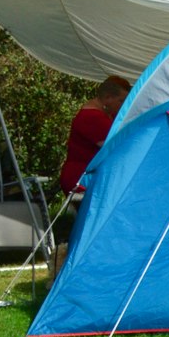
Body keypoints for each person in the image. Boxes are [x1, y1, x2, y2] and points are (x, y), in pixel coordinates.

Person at [54, 76, 130, 270]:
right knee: (92, 225)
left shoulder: (97, 115)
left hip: (86, 179)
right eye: (121, 100)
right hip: (81, 181)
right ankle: (81, 265)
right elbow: (113, 148)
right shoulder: (91, 117)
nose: (123, 105)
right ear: (107, 98)